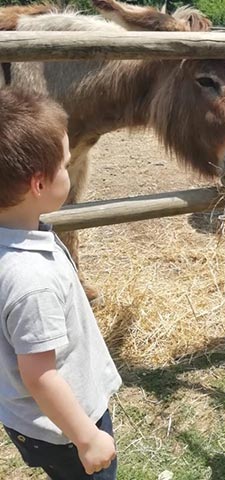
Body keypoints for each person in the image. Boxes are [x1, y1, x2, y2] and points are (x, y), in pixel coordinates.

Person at [0, 87, 122, 479]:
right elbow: (41, 375)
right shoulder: (30, 280)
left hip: (32, 420)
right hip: (65, 430)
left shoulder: (17, 234)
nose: (70, 171)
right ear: (39, 184)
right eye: (66, 165)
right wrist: (87, 439)